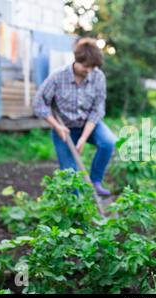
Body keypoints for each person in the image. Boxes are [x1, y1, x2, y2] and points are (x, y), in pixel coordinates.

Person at [33, 37, 116, 196]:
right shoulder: (58, 77)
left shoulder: (98, 77)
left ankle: (96, 182)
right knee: (70, 174)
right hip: (65, 129)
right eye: (86, 66)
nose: (89, 71)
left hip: (89, 125)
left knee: (108, 142)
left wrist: (83, 139)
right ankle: (76, 208)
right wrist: (57, 126)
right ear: (76, 59)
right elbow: (38, 103)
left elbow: (97, 110)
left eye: (93, 67)